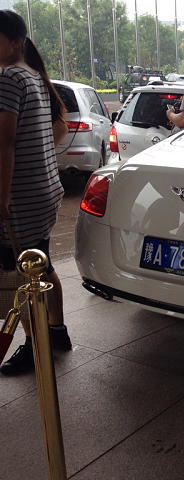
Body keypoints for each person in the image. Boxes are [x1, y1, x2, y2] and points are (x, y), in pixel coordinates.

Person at [0, 10, 71, 375]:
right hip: (43, 189)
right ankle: (56, 333)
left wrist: (3, 194)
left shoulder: (10, 77)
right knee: (41, 264)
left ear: (15, 41)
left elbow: (5, 143)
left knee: (18, 277)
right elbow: (57, 129)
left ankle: (36, 345)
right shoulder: (34, 77)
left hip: (20, 195)